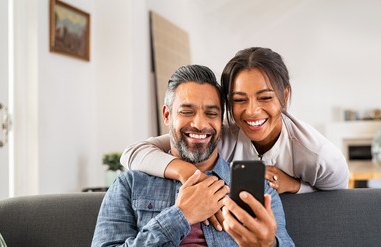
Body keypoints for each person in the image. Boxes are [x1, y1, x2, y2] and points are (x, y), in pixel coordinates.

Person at [89, 64, 302, 247]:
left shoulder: (260, 190)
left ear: (221, 121)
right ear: (167, 115)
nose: (200, 124)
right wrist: (180, 216)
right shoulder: (130, 185)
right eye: (187, 112)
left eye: (211, 113)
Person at [121, 47, 349, 195]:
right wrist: (187, 172)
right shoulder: (222, 135)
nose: (252, 112)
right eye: (240, 99)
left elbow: (339, 201)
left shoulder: (317, 154)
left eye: (265, 97)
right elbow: (133, 152)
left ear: (285, 96)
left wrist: (294, 186)